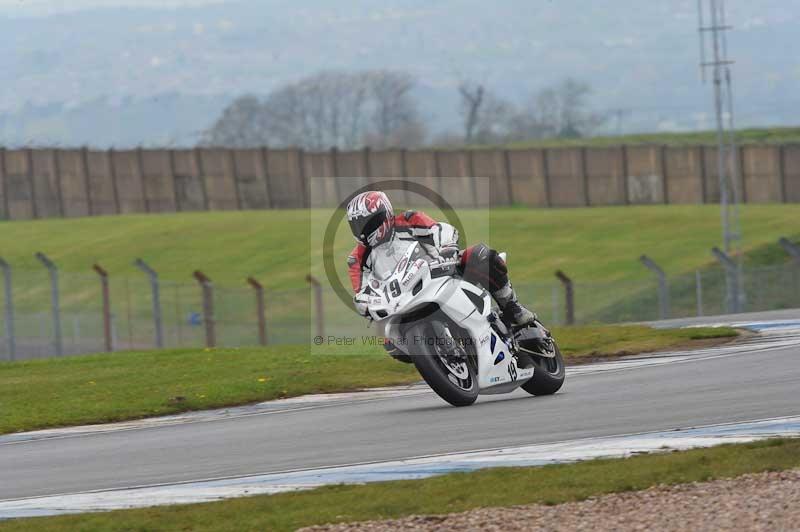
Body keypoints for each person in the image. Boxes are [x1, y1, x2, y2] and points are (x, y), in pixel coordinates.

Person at [345, 191, 536, 327]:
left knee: (481, 254)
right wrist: (365, 305)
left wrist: (447, 249)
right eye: (358, 226)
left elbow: (439, 230)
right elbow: (362, 293)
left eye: (368, 223)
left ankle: (512, 307)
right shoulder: (356, 259)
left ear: (385, 214)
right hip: (401, 302)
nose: (363, 231)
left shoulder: (409, 220)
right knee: (392, 344)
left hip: (441, 272)